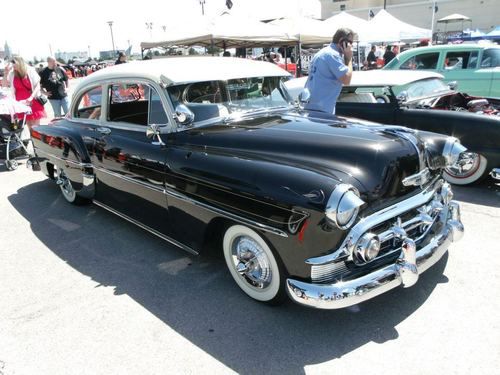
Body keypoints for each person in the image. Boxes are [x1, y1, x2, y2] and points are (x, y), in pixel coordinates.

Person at [304, 28, 354, 115]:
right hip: (321, 109)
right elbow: (347, 80)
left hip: (312, 106)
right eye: (350, 42)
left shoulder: (322, 53)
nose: (351, 46)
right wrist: (348, 58)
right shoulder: (333, 55)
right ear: (342, 41)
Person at [2, 55, 46, 128]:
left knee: (36, 127)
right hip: (21, 104)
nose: (13, 65)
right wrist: (5, 73)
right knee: (29, 125)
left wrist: (31, 98)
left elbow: (37, 86)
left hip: (33, 101)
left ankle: (38, 139)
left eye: (14, 63)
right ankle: (32, 139)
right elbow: (4, 85)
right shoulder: (12, 73)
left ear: (20, 62)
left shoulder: (30, 70)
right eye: (11, 63)